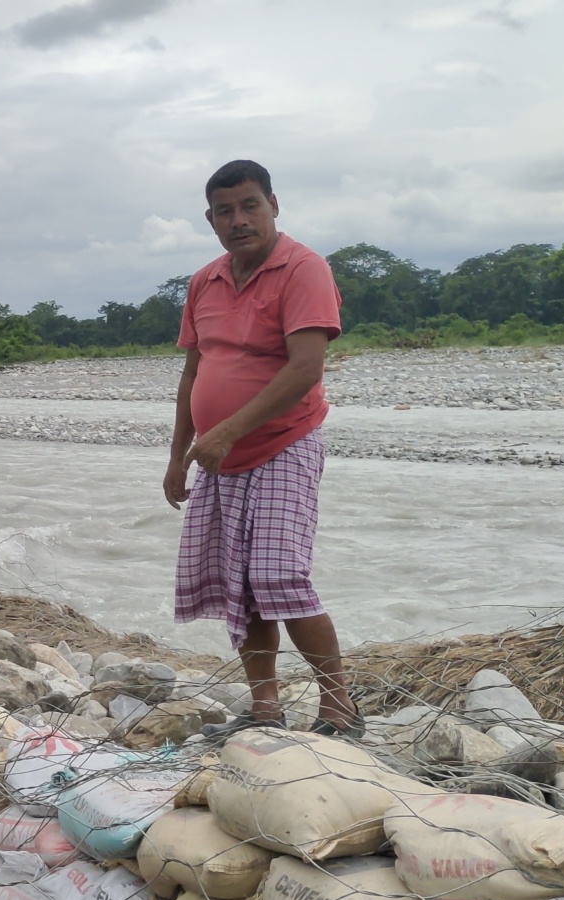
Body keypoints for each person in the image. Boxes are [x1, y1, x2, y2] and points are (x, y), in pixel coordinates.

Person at [165, 160, 352, 738]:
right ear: (210, 219)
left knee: (280, 577)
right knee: (237, 586)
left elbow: (305, 369)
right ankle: (266, 707)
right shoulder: (205, 281)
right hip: (219, 459)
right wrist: (178, 454)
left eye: (250, 206)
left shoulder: (304, 268)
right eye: (226, 211)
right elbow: (193, 373)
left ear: (274, 205)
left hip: (283, 443)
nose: (239, 220)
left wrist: (226, 431)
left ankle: (340, 708)